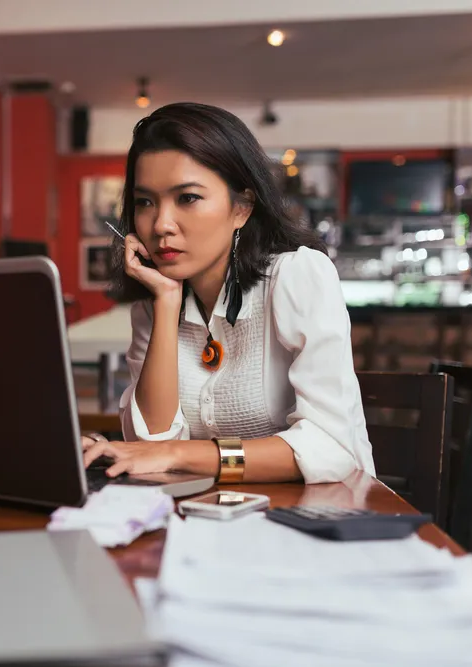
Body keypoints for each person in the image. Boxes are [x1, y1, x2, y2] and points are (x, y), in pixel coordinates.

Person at [81, 103, 374, 485]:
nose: (161, 225)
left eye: (187, 198)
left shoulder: (297, 275)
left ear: (241, 208)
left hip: (322, 518)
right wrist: (167, 304)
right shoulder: (153, 306)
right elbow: (151, 444)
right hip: (215, 516)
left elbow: (332, 449)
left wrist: (179, 454)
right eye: (145, 202)